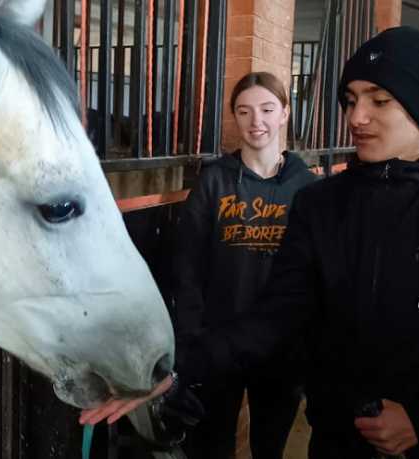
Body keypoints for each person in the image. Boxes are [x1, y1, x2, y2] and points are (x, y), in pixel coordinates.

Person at [80, 26, 419, 458]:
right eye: (350, 99)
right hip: (337, 440)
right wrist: (174, 371)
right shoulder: (322, 203)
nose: (356, 117)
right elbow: (276, 317)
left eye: (379, 100)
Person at [171, 71, 315, 458]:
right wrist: (190, 341)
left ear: (285, 113)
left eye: (267, 109)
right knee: (211, 447)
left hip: (282, 348)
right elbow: (188, 268)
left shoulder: (307, 188)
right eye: (245, 111)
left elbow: (317, 275)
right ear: (234, 116)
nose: (257, 122)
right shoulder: (214, 181)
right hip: (220, 343)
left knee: (269, 446)